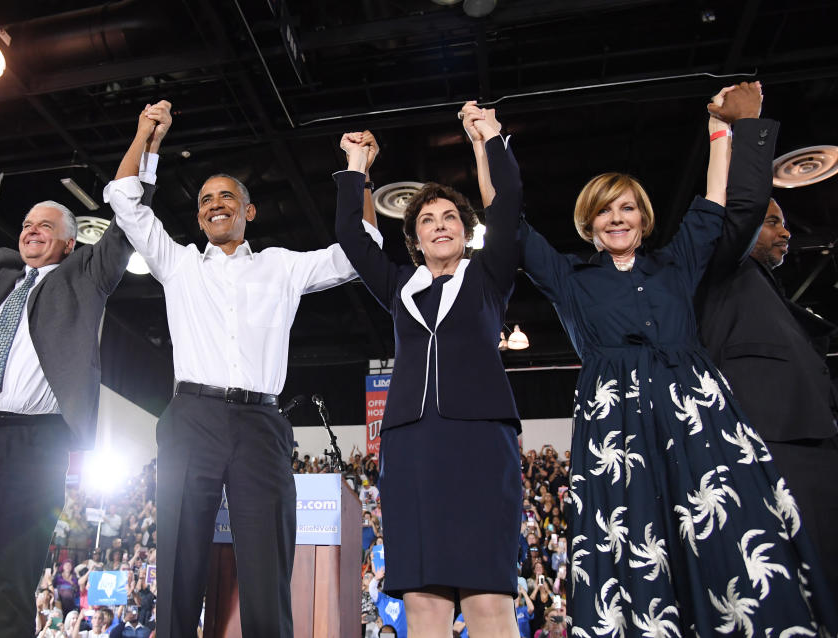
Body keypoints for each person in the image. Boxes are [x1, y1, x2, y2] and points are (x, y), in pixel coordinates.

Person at [497, 83, 838, 632]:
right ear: (589, 221)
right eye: (604, 211)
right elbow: (510, 222)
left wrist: (719, 131)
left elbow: (712, 206)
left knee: (728, 532)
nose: (617, 218)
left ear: (643, 216)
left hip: (697, 416)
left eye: (627, 207)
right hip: (619, 431)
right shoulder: (570, 278)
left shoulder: (675, 264)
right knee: (636, 544)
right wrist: (491, 144)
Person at [104, 107, 383, 637]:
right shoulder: (178, 263)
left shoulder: (281, 266)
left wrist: (360, 173)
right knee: (181, 566)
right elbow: (124, 201)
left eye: (226, 196)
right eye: (205, 199)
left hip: (261, 426)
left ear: (249, 211)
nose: (214, 205)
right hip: (191, 418)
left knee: (267, 570)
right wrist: (145, 134)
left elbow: (360, 255)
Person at [0, 107, 166, 638]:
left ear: (69, 242)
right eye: (26, 225)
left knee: (18, 581)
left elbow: (126, 222)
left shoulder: (85, 276)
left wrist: (146, 144)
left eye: (45, 227)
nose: (30, 232)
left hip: (35, 446)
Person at [335, 102, 522, 637]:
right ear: (414, 240)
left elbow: (507, 203)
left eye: (450, 219)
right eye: (427, 221)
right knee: (423, 600)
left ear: (466, 230)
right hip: (412, 448)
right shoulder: (400, 288)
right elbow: (351, 235)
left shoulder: (489, 276)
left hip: (481, 443)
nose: (440, 227)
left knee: (488, 598)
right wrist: (356, 166)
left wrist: (488, 138)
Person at [696, 117, 838, 602]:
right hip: (769, 440)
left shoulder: (771, 291)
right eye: (773, 221)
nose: (786, 234)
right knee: (787, 584)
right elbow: (743, 206)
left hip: (813, 439)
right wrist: (743, 129)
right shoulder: (723, 268)